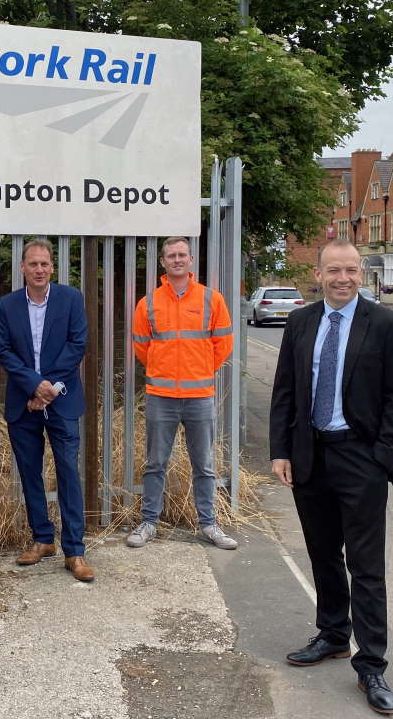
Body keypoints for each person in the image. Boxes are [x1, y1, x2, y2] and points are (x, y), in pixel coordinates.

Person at [269, 239, 393, 716]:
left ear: (361, 274)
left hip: (360, 457)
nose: (343, 278)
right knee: (323, 553)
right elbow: (285, 391)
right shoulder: (300, 322)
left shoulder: (388, 324)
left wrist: (382, 455)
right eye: (334, 270)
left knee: (367, 566)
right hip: (310, 455)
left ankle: (371, 663)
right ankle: (332, 634)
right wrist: (281, 451)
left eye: (351, 270)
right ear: (319, 273)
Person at [126, 236, 237, 550]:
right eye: (170, 255)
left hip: (200, 394)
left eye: (181, 255)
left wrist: (199, 369)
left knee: (204, 464)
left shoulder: (211, 300)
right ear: (163, 262)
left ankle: (209, 525)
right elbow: (142, 348)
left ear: (191, 261)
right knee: (155, 463)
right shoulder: (148, 303)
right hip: (161, 395)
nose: (176, 260)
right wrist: (166, 370)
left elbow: (223, 344)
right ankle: (149, 522)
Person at [0, 238, 93, 582]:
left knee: (68, 472)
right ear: (22, 267)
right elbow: (4, 350)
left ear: (52, 267)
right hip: (24, 402)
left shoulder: (71, 299)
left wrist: (48, 388)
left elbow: (78, 343)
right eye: (33, 264)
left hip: (61, 400)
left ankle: (75, 551)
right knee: (30, 473)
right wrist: (34, 385)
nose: (39, 269)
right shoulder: (7, 305)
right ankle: (42, 539)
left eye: (45, 264)